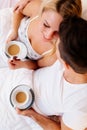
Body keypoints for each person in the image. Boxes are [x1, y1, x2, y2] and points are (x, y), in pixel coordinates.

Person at [16, 16, 87, 130]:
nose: (53, 38)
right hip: (24, 77)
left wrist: (31, 114)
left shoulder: (80, 107)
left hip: (27, 110)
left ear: (66, 65)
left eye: (57, 45)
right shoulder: (77, 52)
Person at [6, 0, 82, 70]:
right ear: (41, 13)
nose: (48, 36)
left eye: (58, 32)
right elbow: (18, 11)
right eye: (46, 25)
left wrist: (22, 64)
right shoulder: (37, 8)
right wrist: (14, 32)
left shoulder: (54, 53)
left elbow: (37, 64)